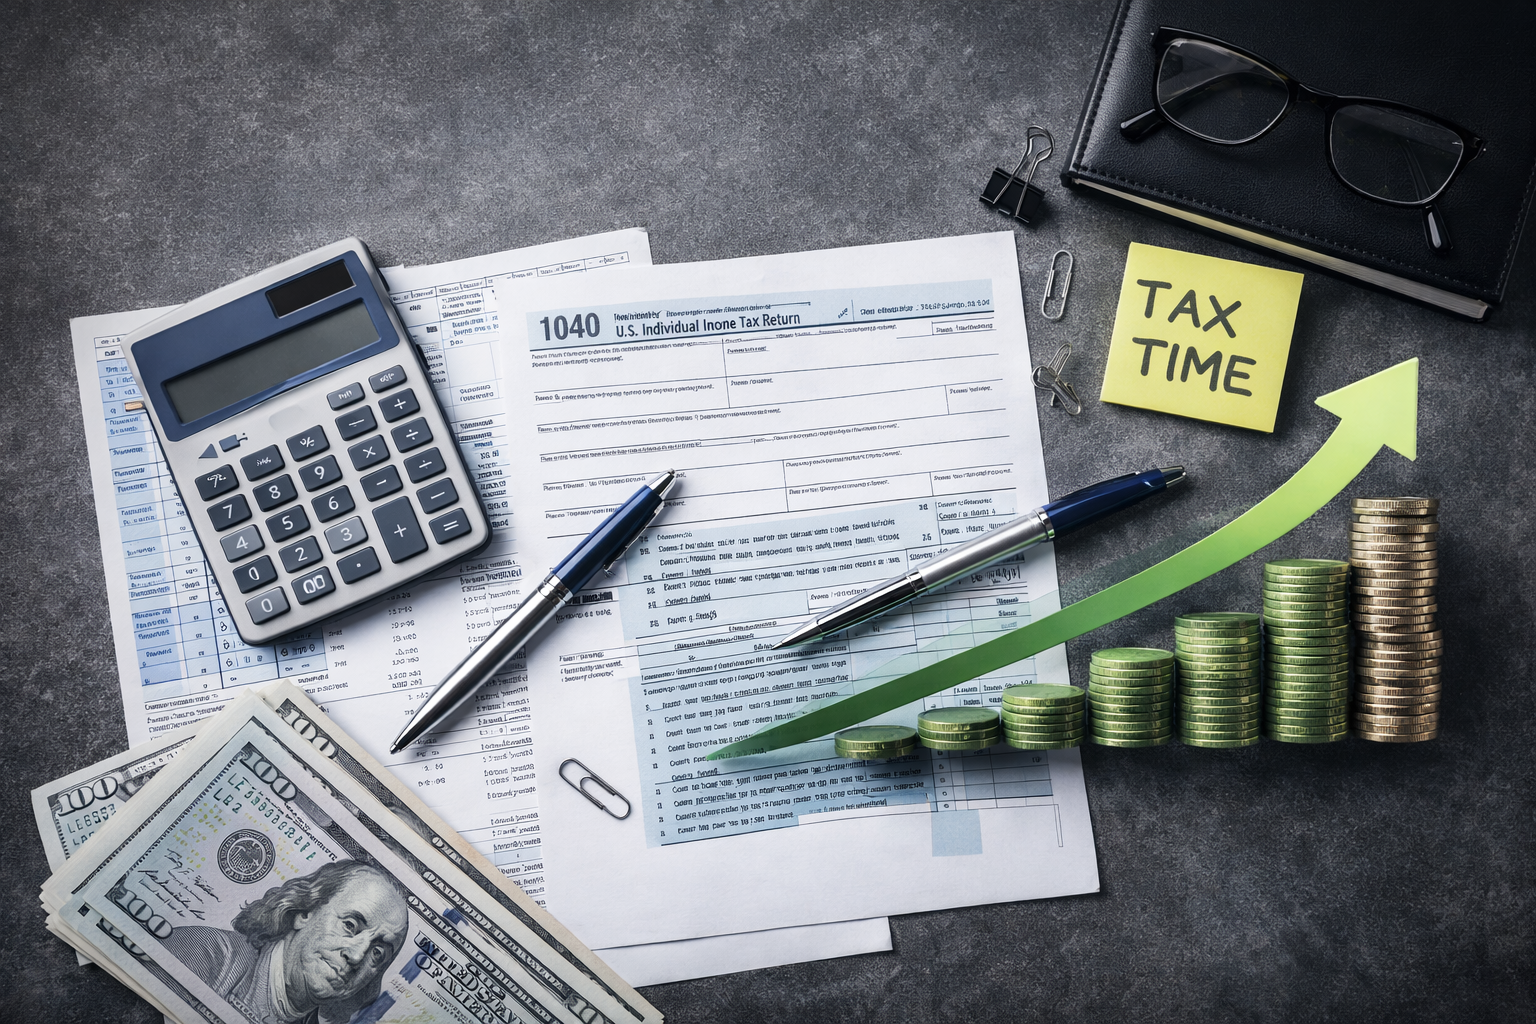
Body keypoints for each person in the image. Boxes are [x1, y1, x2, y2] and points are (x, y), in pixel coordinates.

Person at [163, 859, 409, 1024]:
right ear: (305, 912)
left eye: (377, 953)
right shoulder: (205, 951)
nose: (357, 956)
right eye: (350, 925)